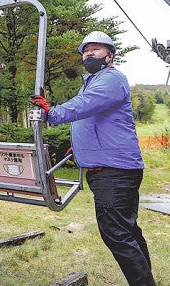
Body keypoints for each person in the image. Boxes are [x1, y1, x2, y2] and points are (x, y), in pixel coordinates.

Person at [29, 31, 156, 286]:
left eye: (95, 49)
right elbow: (92, 121)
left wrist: (51, 112)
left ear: (109, 56)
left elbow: (84, 105)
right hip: (113, 168)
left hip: (114, 171)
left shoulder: (111, 79)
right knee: (127, 230)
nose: (89, 54)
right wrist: (78, 148)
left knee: (116, 233)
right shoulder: (94, 81)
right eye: (86, 51)